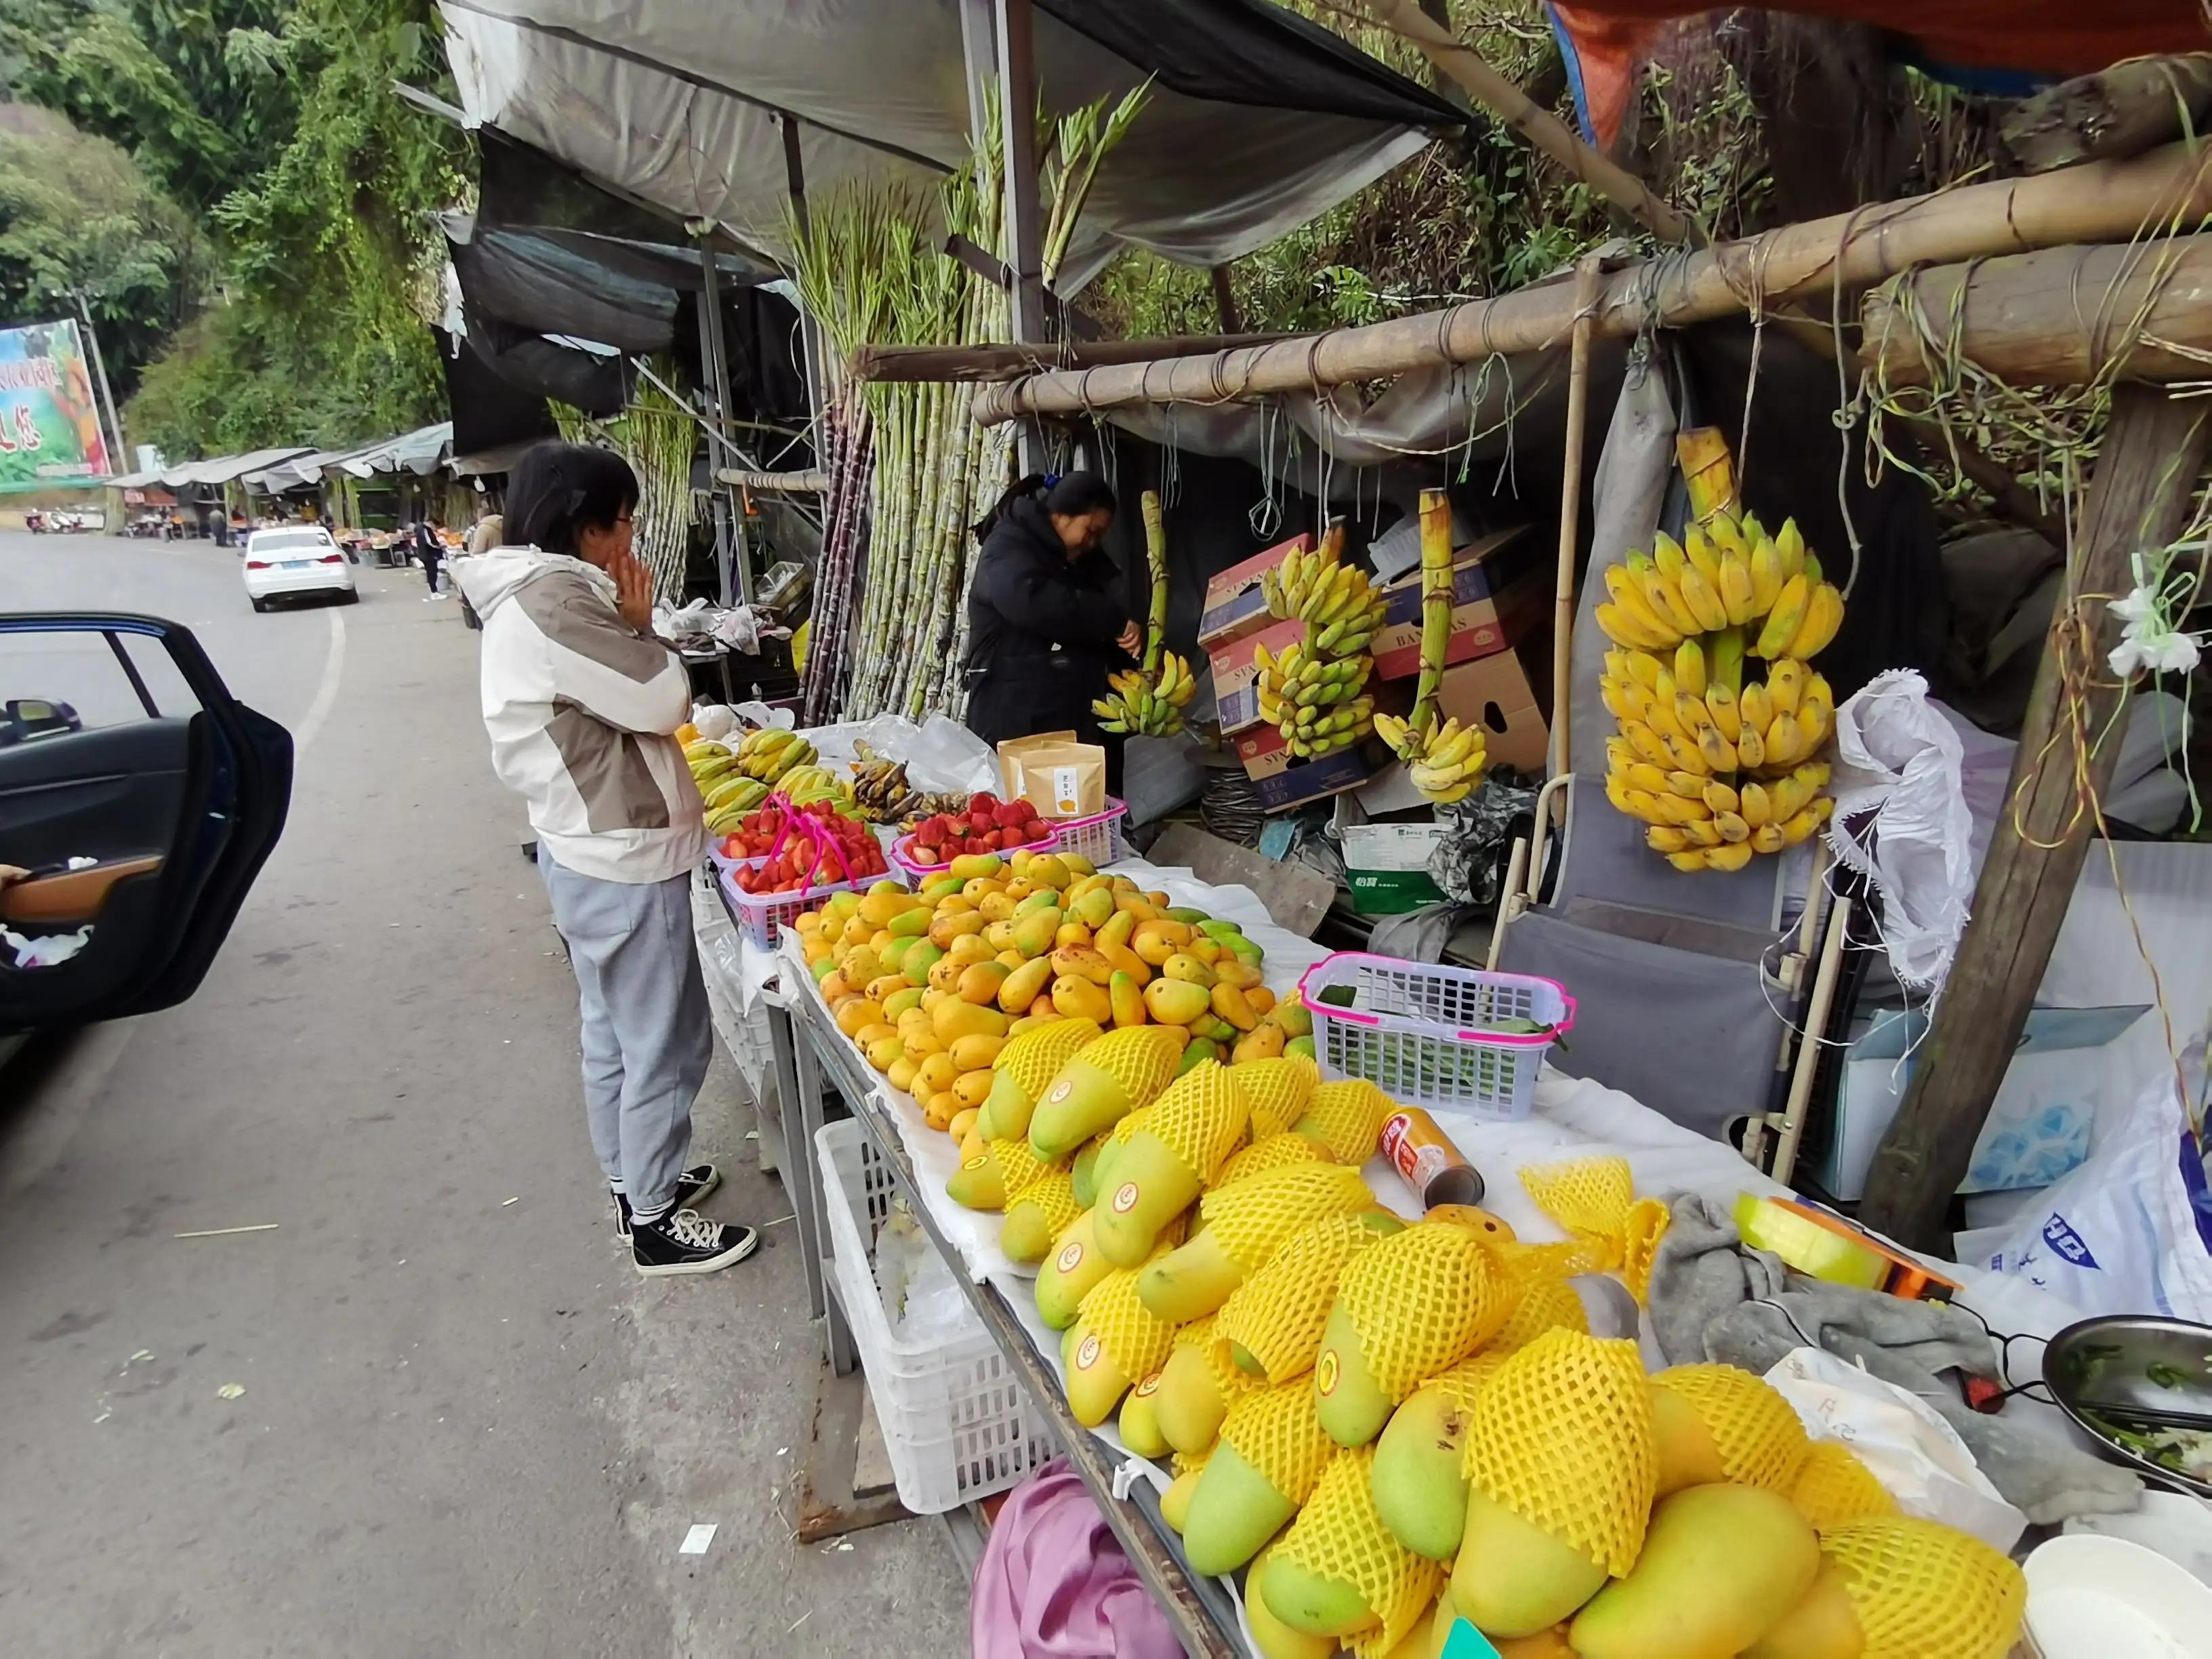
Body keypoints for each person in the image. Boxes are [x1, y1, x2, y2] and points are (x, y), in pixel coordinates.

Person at [450, 442, 756, 1277]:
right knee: (666, 1039)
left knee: (615, 1033)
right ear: (586, 528)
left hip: (583, 847)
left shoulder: (530, 594)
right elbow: (664, 699)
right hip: (619, 855)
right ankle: (654, 1218)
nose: (629, 539)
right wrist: (642, 624)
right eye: (622, 522)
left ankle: (633, 1179)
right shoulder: (557, 602)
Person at [962, 472, 1140, 775]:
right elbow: (1031, 602)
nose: (1092, 543)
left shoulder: (1073, 560)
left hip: (1064, 716)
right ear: (1063, 514)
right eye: (1091, 531)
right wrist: (1111, 618)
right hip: (1015, 716)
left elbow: (1086, 626)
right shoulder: (1008, 546)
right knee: (1021, 814)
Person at [414, 516, 447, 600]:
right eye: (434, 526)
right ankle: (434, 593)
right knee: (432, 573)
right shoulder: (424, 530)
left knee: (431, 573)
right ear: (431, 523)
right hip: (428, 554)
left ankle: (434, 590)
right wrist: (439, 545)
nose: (435, 528)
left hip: (425, 554)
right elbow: (429, 542)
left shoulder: (421, 528)